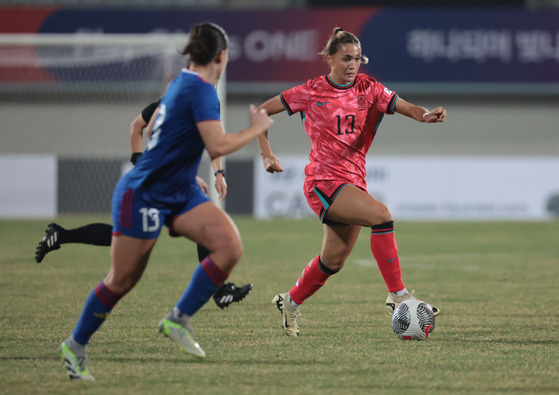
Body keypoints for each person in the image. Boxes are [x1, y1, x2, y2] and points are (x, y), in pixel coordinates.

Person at [59, 21, 273, 380]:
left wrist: (185, 174)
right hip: (142, 194)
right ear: (221, 56)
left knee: (228, 245)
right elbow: (216, 145)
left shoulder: (180, 84)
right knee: (121, 281)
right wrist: (256, 129)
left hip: (179, 190)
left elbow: (158, 126)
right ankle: (75, 345)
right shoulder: (202, 91)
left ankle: (178, 319)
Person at [257, 27, 445, 337]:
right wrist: (266, 153)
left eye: (357, 59)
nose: (352, 65)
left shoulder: (369, 88)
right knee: (382, 216)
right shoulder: (310, 91)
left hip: (352, 182)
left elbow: (408, 107)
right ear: (329, 58)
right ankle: (397, 294)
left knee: (332, 261)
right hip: (323, 182)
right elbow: (262, 111)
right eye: (345, 58)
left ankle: (289, 303)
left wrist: (425, 116)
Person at [34, 99, 251, 310]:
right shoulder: (191, 99)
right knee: (201, 227)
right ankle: (213, 294)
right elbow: (169, 139)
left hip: (159, 176)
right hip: (161, 178)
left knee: (128, 237)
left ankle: (61, 235)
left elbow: (137, 126)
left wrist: (141, 164)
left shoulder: (183, 97)